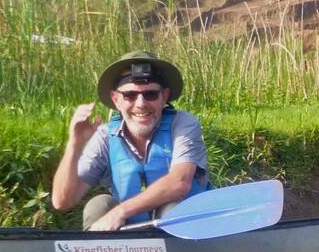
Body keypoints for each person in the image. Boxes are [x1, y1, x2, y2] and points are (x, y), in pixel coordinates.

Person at [51, 51, 210, 231]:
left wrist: (120, 212)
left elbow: (179, 182)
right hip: (129, 235)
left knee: (172, 209)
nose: (141, 104)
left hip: (186, 234)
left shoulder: (183, 124)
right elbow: (62, 201)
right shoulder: (104, 136)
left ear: (164, 97)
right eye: (130, 95)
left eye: (150, 94)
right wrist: (75, 144)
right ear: (116, 99)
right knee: (99, 205)